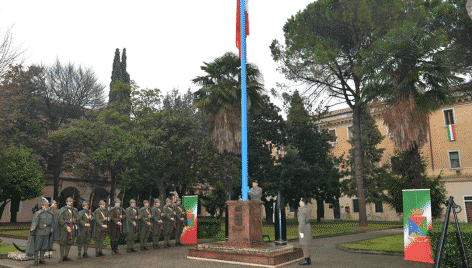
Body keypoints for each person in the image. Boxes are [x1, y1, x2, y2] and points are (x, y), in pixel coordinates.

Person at [26, 198, 54, 266]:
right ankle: (36, 260)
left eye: (47, 205)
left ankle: (41, 259)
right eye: (45, 205)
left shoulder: (50, 213)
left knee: (44, 247)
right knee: (37, 247)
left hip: (47, 232)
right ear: (42, 206)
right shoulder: (38, 213)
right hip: (39, 232)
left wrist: (52, 228)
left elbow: (52, 222)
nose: (46, 206)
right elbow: (35, 221)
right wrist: (33, 228)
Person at [55, 197, 79, 262]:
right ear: (67, 202)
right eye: (70, 201)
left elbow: (77, 218)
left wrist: (74, 220)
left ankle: (66, 256)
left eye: (72, 201)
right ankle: (62, 256)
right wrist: (66, 226)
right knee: (63, 242)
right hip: (64, 228)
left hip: (72, 228)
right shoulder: (63, 209)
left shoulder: (74, 210)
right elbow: (60, 219)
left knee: (69, 242)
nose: (71, 202)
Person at [298, 198, 313, 266]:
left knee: (304, 244)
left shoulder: (302, 210)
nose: (299, 203)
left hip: (303, 228)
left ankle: (306, 259)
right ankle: (308, 259)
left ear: (303, 203)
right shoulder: (308, 209)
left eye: (300, 202)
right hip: (307, 226)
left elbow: (301, 222)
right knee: (307, 243)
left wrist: (300, 231)